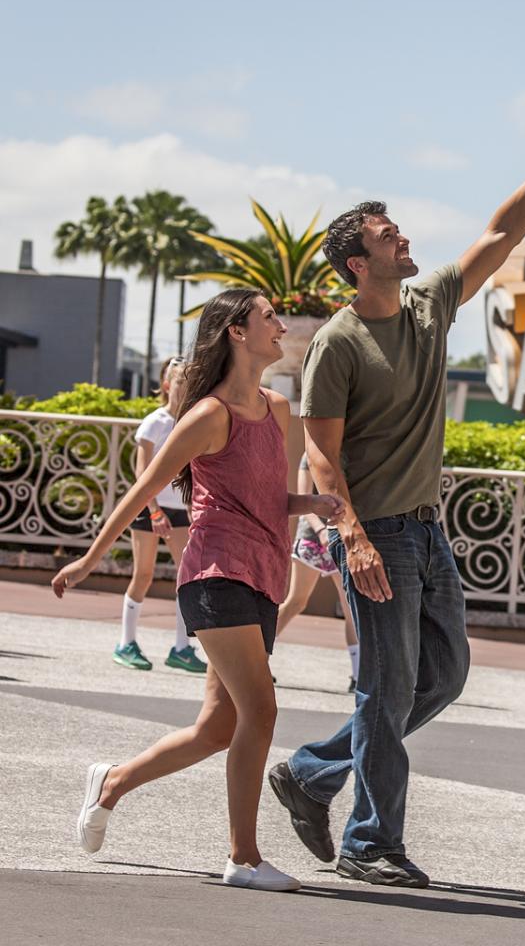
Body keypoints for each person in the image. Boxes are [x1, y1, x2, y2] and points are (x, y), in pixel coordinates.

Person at [269, 87, 525, 888]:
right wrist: (351, 540)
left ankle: (315, 772)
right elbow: (321, 455)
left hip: (425, 530)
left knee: (443, 676)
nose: (406, 239)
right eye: (391, 236)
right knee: (384, 690)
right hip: (377, 532)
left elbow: (502, 232)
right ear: (360, 262)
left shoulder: (428, 305)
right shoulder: (340, 345)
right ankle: (369, 843)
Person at [52, 289, 344, 893]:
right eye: (268, 318)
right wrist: (89, 559)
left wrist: (309, 503)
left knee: (217, 727)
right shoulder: (208, 415)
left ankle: (112, 782)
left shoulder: (278, 409)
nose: (281, 326)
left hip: (263, 577)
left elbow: (266, 498)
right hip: (215, 576)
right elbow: (144, 489)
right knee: (261, 709)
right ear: (236, 332)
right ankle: (243, 857)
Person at [114, 356, 207, 674]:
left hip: (178, 509)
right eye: (181, 381)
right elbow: (142, 471)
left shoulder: (191, 423)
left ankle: (181, 648)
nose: (185, 388)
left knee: (186, 577)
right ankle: (126, 643)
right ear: (167, 385)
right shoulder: (154, 421)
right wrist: (153, 511)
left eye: (190, 382)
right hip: (149, 508)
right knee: (144, 575)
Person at [277, 453, 359, 691]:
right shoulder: (309, 456)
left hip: (342, 541)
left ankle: (358, 675)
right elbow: (305, 502)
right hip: (313, 539)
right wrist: (322, 532)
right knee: (296, 602)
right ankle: (259, 656)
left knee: (350, 608)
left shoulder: (350, 452)